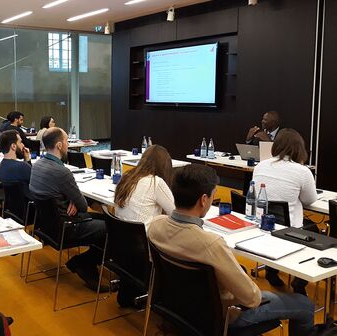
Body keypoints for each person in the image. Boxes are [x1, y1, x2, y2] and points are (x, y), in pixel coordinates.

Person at [148, 164, 315, 336]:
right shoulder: (211, 244)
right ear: (203, 199)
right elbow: (252, 299)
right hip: (223, 315)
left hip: (177, 306)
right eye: (213, 195)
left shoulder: (155, 225)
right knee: (305, 305)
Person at [29, 127, 106, 291]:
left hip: (47, 226)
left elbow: (64, 196)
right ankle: (83, 263)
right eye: (66, 141)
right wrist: (73, 199)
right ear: (59, 145)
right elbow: (83, 206)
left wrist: (70, 198)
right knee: (112, 228)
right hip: (66, 228)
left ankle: (85, 264)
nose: (68, 145)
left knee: (105, 220)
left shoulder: (37, 165)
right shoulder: (61, 172)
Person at [253, 128, 317, 294]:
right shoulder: (303, 171)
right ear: (299, 149)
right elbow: (309, 200)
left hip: (262, 225)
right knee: (315, 231)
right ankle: (300, 281)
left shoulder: (260, 165)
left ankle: (271, 271)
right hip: (289, 230)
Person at [114, 145, 175, 231]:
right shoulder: (155, 182)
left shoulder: (127, 176)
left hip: (119, 234)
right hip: (143, 237)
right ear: (165, 167)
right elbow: (176, 214)